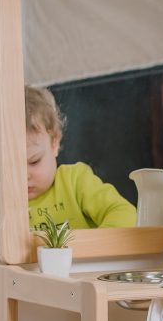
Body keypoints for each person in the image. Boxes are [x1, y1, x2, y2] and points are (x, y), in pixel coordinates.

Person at [25, 85, 137, 230]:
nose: (24, 176)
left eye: (34, 161)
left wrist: (97, 247)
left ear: (55, 143)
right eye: (11, 169)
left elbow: (124, 213)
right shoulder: (3, 203)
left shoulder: (75, 181)